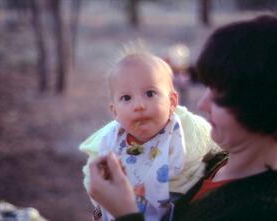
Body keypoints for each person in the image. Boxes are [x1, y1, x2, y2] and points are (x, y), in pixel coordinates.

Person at [88, 15, 277, 221]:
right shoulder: (211, 161)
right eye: (208, 87)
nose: (202, 104)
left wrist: (124, 213)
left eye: (221, 98)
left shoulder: (263, 211)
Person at [79, 51, 220, 221]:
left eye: (150, 94)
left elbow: (214, 147)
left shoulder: (185, 130)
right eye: (126, 98)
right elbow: (94, 181)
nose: (139, 105)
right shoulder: (110, 140)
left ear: (172, 101)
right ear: (114, 111)